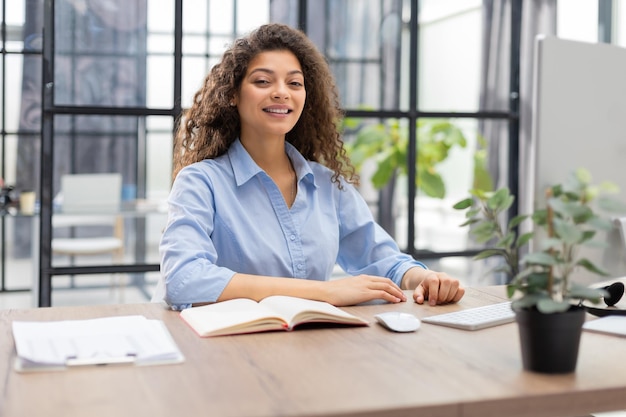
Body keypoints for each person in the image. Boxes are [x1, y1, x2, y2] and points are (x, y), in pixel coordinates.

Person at [155, 23, 465, 310]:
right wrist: (327, 292)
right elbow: (183, 279)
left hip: (315, 347)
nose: (281, 91)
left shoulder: (327, 185)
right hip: (231, 353)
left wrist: (423, 279)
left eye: (294, 83)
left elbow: (384, 261)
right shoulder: (200, 182)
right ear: (233, 94)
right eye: (263, 81)